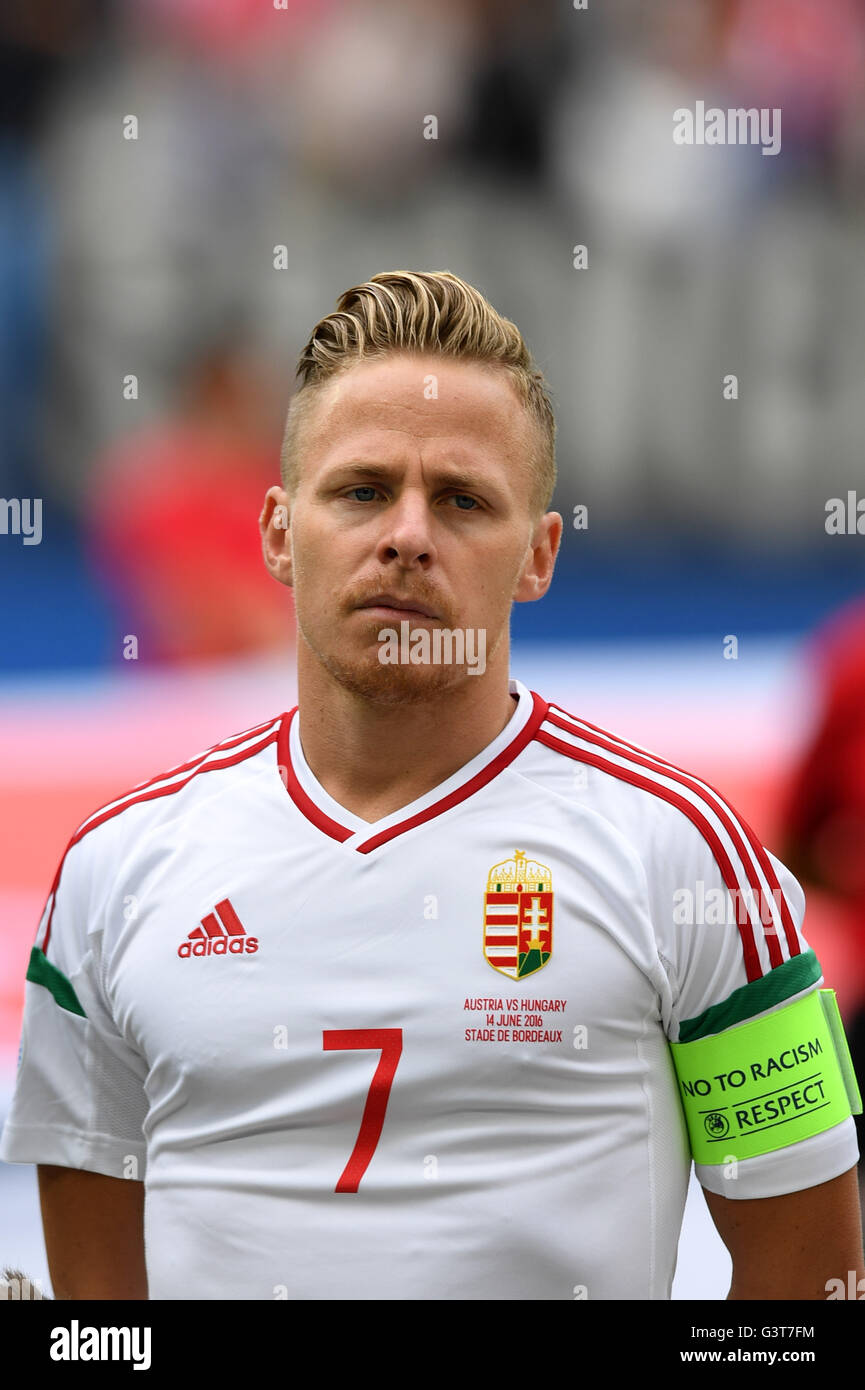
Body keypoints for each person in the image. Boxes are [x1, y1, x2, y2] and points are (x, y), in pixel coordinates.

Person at [1, 271, 862, 1300]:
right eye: (362, 490)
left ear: (538, 555)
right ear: (277, 531)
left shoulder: (689, 859)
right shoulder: (112, 877)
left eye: (460, 499)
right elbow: (102, 1321)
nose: (406, 534)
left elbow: (811, 1291)